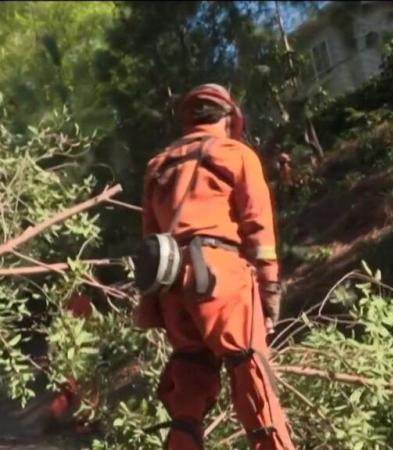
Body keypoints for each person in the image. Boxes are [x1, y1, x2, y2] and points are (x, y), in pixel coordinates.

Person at [137, 84, 296, 449]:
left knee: (189, 385)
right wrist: (270, 290)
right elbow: (258, 227)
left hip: (170, 283)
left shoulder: (157, 166)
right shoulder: (235, 153)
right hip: (220, 277)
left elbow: (148, 239)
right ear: (227, 118)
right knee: (251, 374)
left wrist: (153, 307)